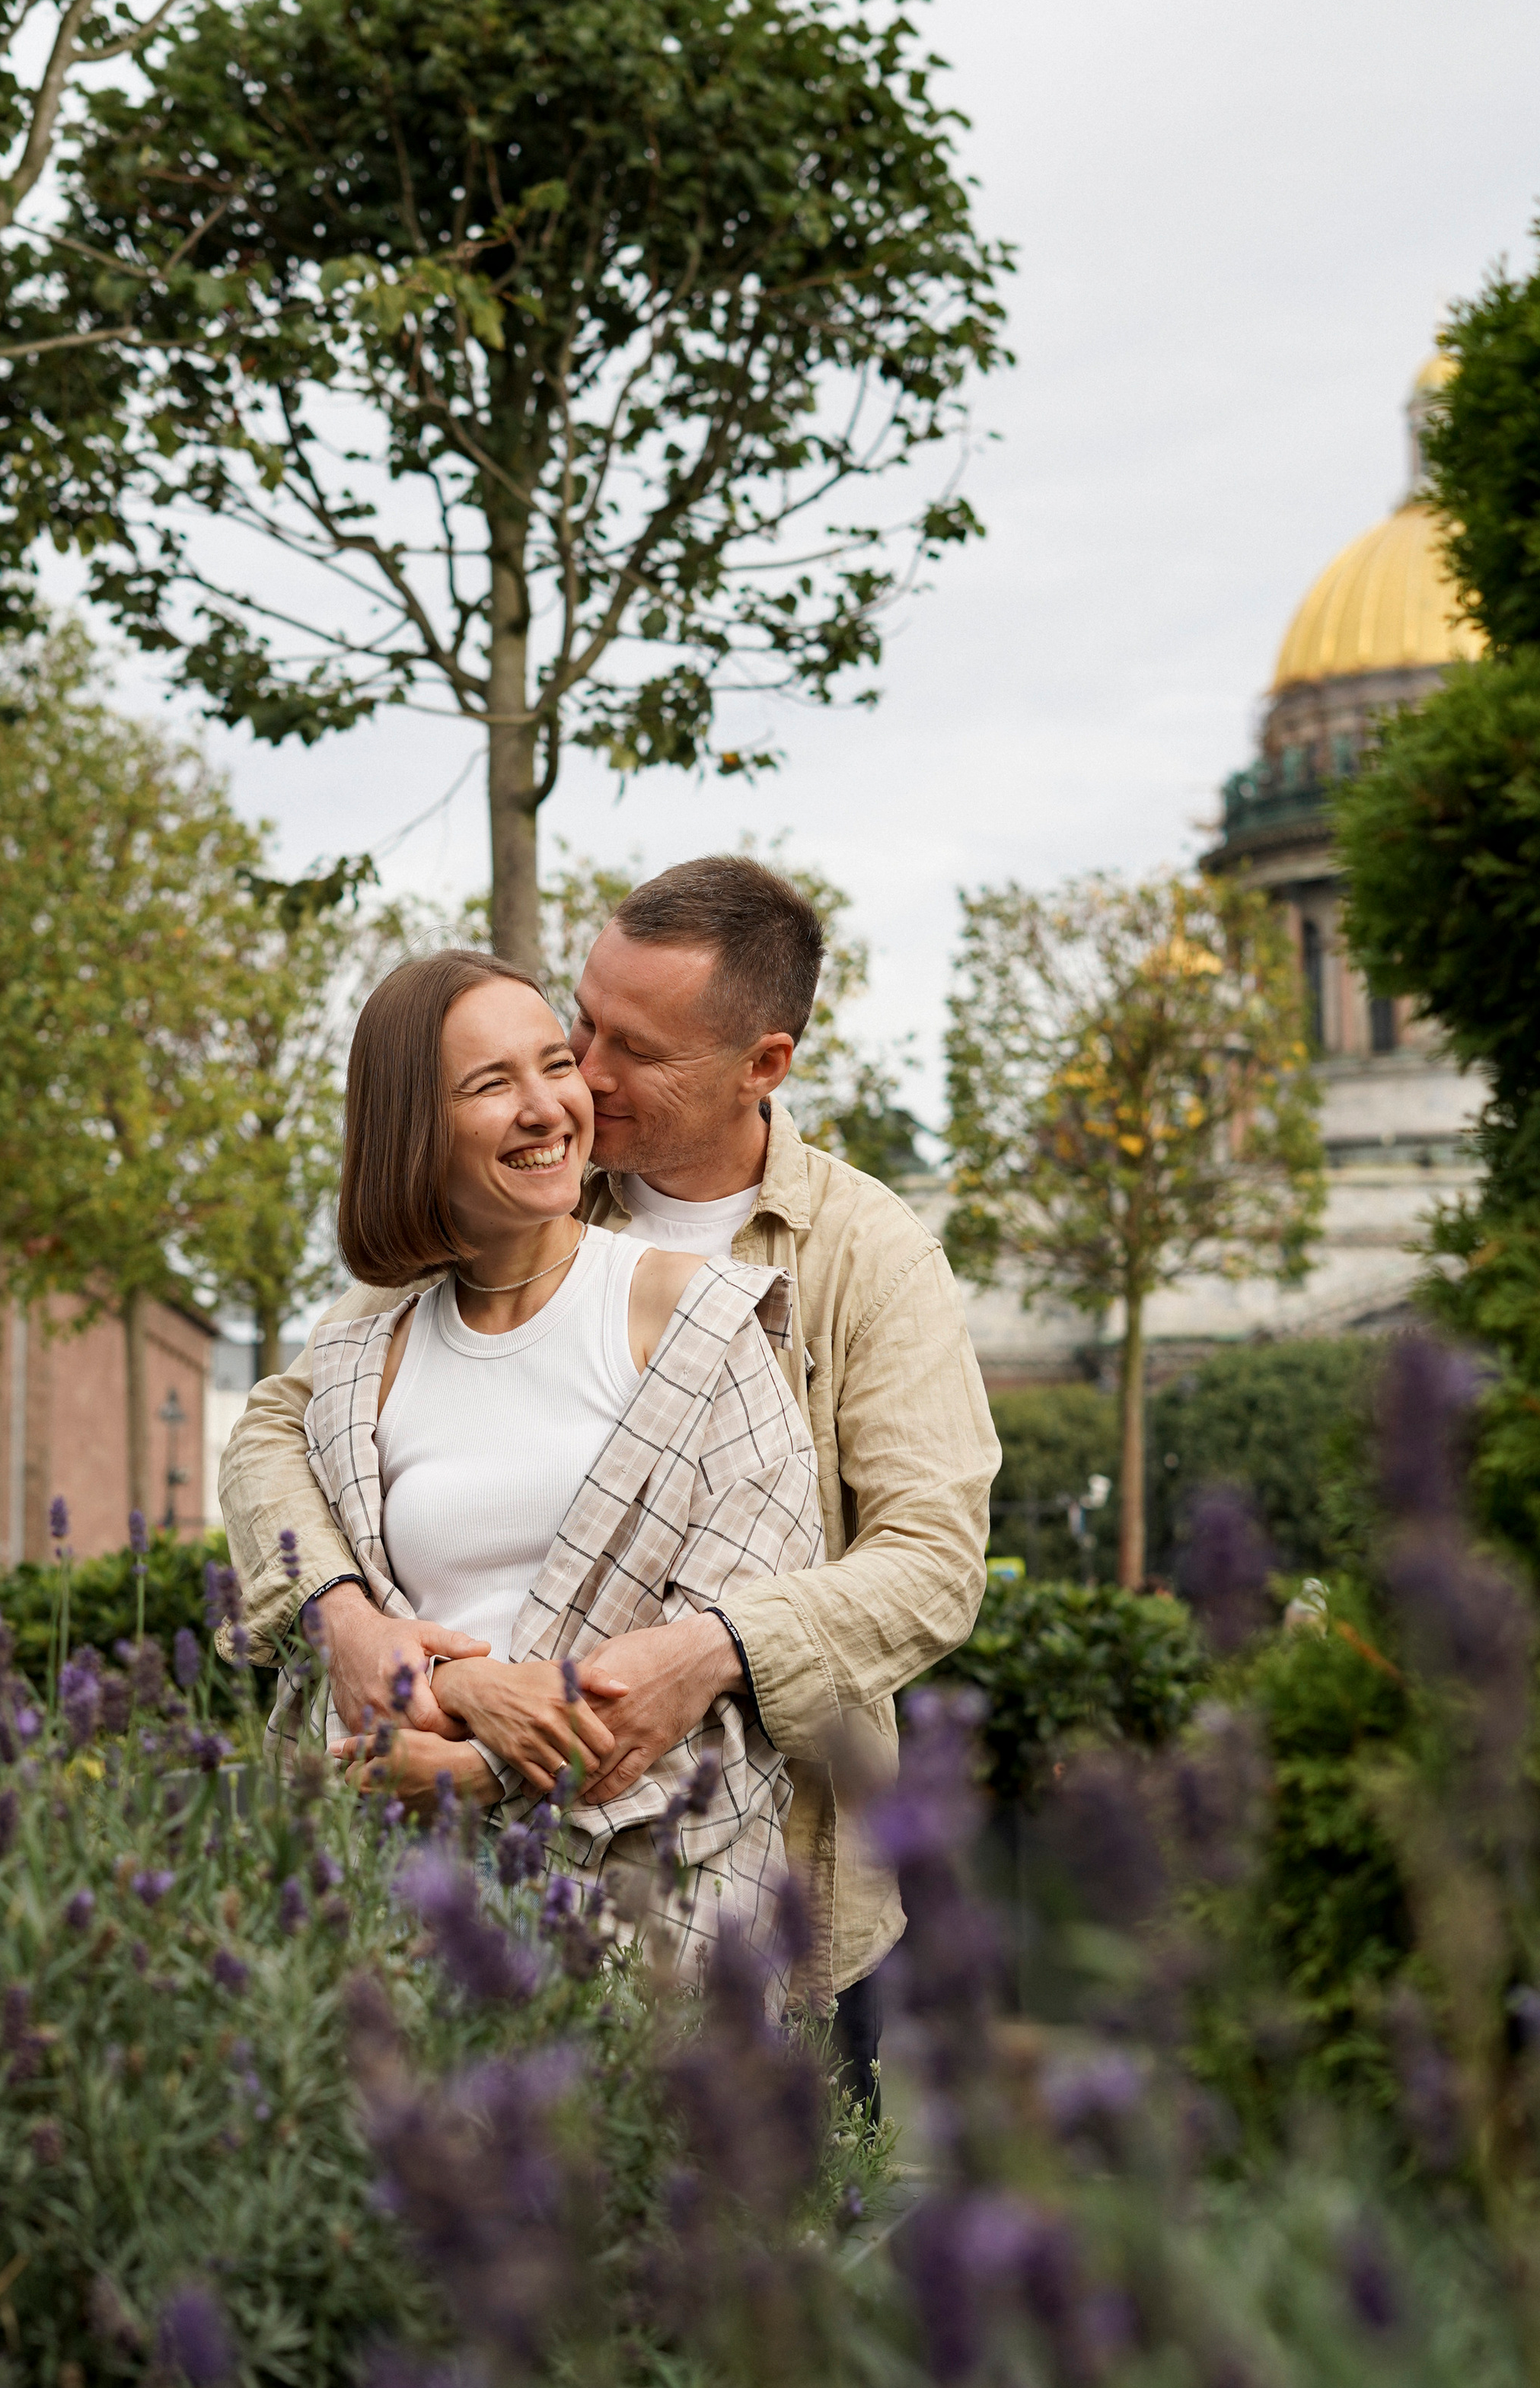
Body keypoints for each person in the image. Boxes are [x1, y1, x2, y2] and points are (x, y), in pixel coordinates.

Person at [222, 857, 1000, 2099]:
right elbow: (283, 1426)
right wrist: (346, 1619)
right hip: (433, 1892)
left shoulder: (868, 1257)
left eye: (633, 1049)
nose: (582, 1074)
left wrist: (711, 1650)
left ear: (762, 1064)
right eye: (582, 1021)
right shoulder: (509, 1199)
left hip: (770, 1890)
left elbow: (932, 1565)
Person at [278, 945, 823, 1972]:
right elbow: (339, 1664)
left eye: (554, 1064)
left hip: (647, 1918)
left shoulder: (701, 1321)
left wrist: (483, 1765)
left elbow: (721, 1659)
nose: (547, 1108)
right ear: (412, 1127)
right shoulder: (361, 1361)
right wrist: (460, 1689)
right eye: (491, 1084)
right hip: (401, 1912)